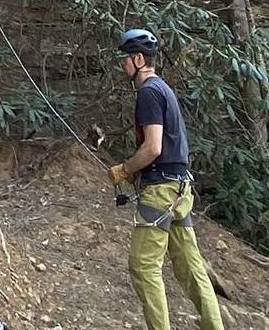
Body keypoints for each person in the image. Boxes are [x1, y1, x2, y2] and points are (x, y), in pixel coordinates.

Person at [109, 28, 224, 330]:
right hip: (180, 190)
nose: (122, 65)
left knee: (144, 266)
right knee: (191, 268)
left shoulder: (147, 92)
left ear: (138, 59)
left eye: (125, 59)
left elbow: (153, 147)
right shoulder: (164, 90)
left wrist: (125, 170)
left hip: (161, 192)